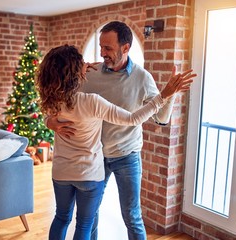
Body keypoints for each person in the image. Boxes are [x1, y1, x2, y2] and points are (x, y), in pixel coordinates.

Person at [46, 21, 197, 240]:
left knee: (132, 215)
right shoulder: (91, 72)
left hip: (127, 155)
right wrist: (49, 121)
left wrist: (170, 93)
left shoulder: (143, 78)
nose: (102, 53)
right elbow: (61, 99)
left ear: (125, 48)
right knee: (91, 216)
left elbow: (161, 119)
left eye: (108, 48)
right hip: (95, 158)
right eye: (101, 47)